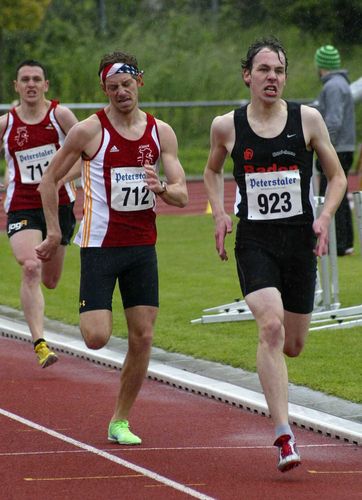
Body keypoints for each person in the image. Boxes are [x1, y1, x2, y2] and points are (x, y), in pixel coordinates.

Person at [203, 37, 346, 473]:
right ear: (248, 75)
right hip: (256, 241)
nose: (272, 78)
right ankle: (284, 435)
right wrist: (221, 214)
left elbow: (337, 177)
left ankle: (279, 387)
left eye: (279, 71)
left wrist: (323, 218)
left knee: (295, 344)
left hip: (300, 240)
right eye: (264, 70)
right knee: (270, 327)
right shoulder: (227, 126)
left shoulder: (308, 119)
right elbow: (211, 170)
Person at [36, 51, 188, 445]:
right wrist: (54, 232)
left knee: (143, 337)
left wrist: (162, 190)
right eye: (113, 86)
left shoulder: (161, 133)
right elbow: (48, 180)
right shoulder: (89, 131)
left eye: (127, 83)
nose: (122, 92)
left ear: (140, 81)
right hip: (100, 246)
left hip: (142, 248)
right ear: (104, 89)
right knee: (96, 337)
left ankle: (119, 421)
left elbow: (183, 194)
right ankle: (92, 311)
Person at [0, 60, 80, 368]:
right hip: (22, 203)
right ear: (16, 86)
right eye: (25, 79)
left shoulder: (60, 116)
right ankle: (40, 343)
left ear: (45, 85)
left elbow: (88, 150)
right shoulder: (7, 124)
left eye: (37, 79)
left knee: (50, 280)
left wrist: (60, 178)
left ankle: (40, 334)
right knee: (31, 267)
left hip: (59, 205)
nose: (31, 84)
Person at [313, 44, 356, 256]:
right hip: (345, 146)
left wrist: (323, 146)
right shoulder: (342, 84)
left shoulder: (332, 87)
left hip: (336, 147)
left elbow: (333, 120)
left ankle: (335, 242)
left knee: (330, 196)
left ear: (321, 65)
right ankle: (345, 241)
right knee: (340, 192)